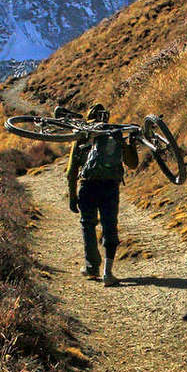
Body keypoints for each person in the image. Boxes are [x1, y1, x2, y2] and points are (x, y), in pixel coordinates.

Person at [67, 103, 139, 286]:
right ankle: (108, 272)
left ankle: (91, 267)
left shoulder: (82, 134)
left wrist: (72, 195)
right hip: (110, 186)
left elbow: (71, 170)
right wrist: (130, 143)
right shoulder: (114, 133)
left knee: (88, 224)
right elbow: (132, 164)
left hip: (87, 186)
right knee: (110, 225)